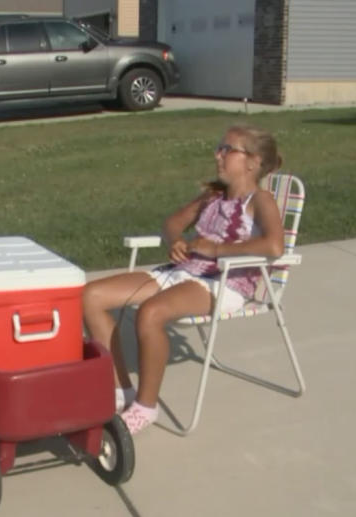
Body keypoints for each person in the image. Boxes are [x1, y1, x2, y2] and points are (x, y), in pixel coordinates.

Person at [82, 124, 285, 435]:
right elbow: (172, 223)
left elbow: (274, 245)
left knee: (151, 312)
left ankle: (146, 408)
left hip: (225, 283)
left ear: (252, 161)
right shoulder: (213, 196)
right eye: (219, 147)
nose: (217, 154)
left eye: (226, 149)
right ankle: (122, 389)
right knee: (91, 296)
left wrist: (217, 249)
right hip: (184, 273)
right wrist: (176, 240)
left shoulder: (260, 200)